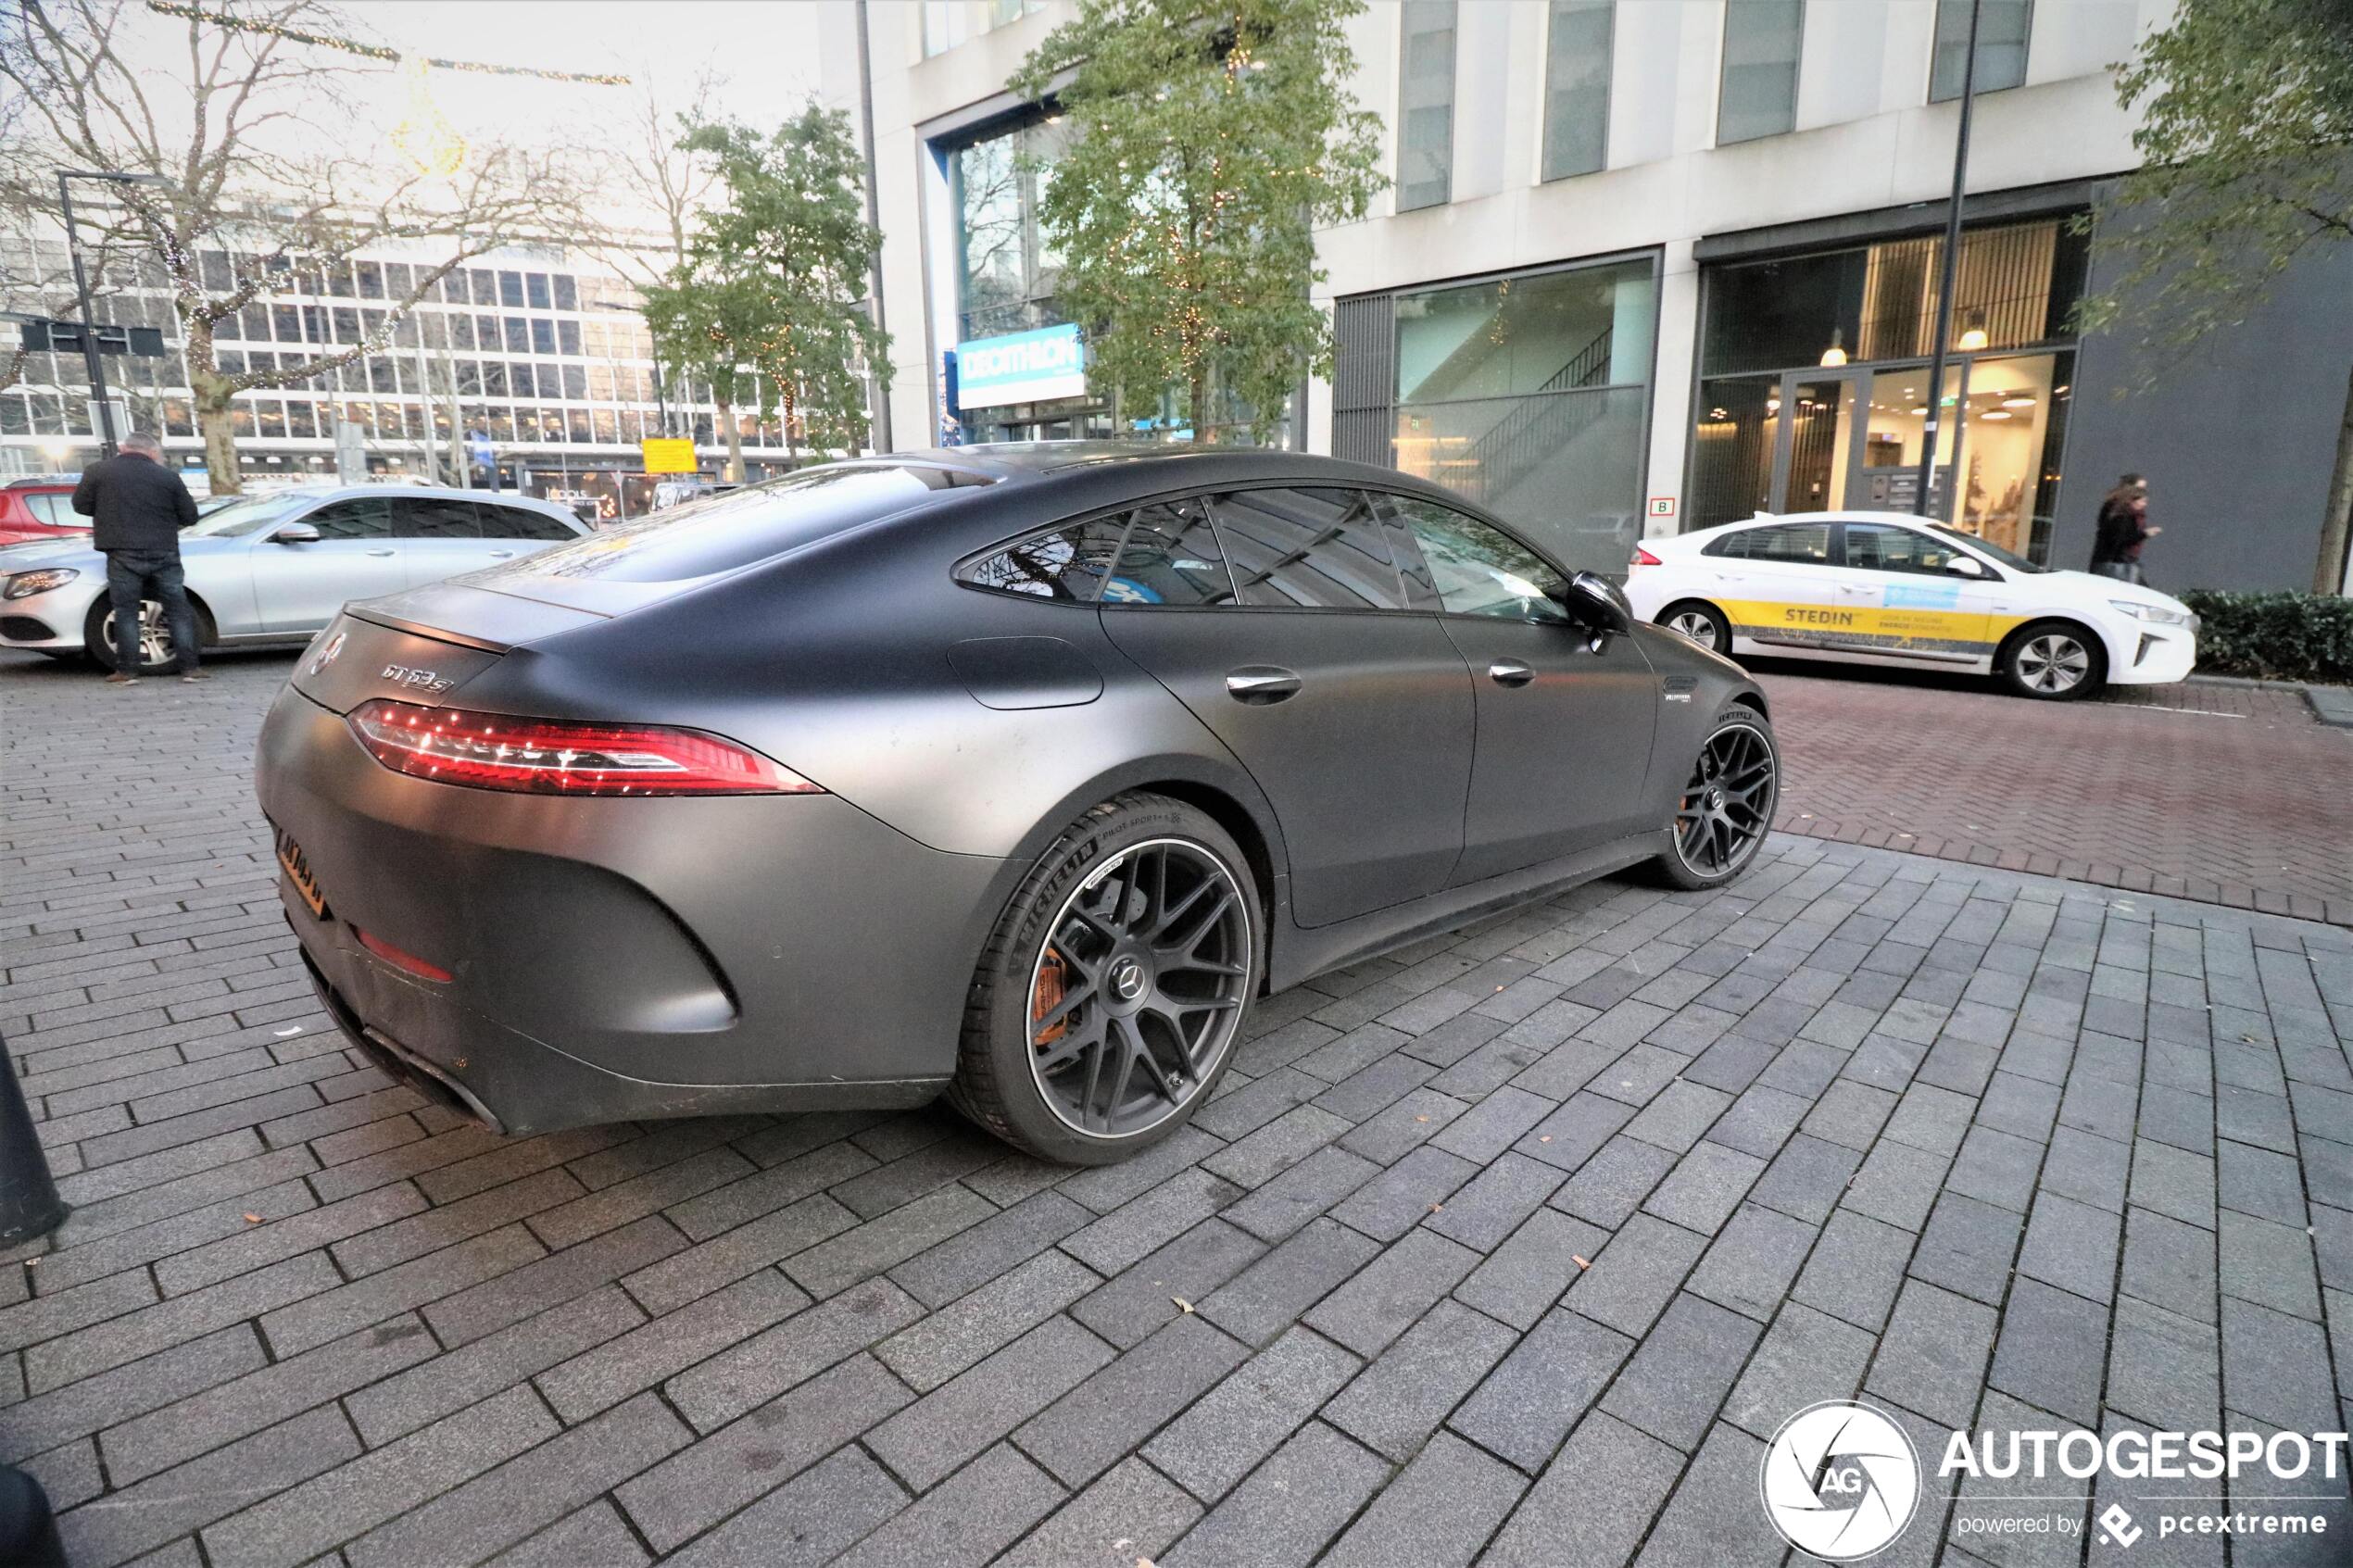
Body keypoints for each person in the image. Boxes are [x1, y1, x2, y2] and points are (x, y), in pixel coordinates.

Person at [69, 431, 203, 684]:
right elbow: (190, 516)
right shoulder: (168, 476)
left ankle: (127, 671)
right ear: (152, 452)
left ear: (123, 447)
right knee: (177, 609)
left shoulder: (97, 471)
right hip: (164, 551)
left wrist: (107, 510)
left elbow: (80, 505)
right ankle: (190, 669)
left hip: (120, 552)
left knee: (126, 611)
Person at [2091, 473, 2160, 583]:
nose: (2143, 491)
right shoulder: (2120, 511)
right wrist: (2144, 534)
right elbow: (2118, 539)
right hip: (2116, 561)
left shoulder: (2130, 512)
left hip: (2121, 560)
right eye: (2139, 488)